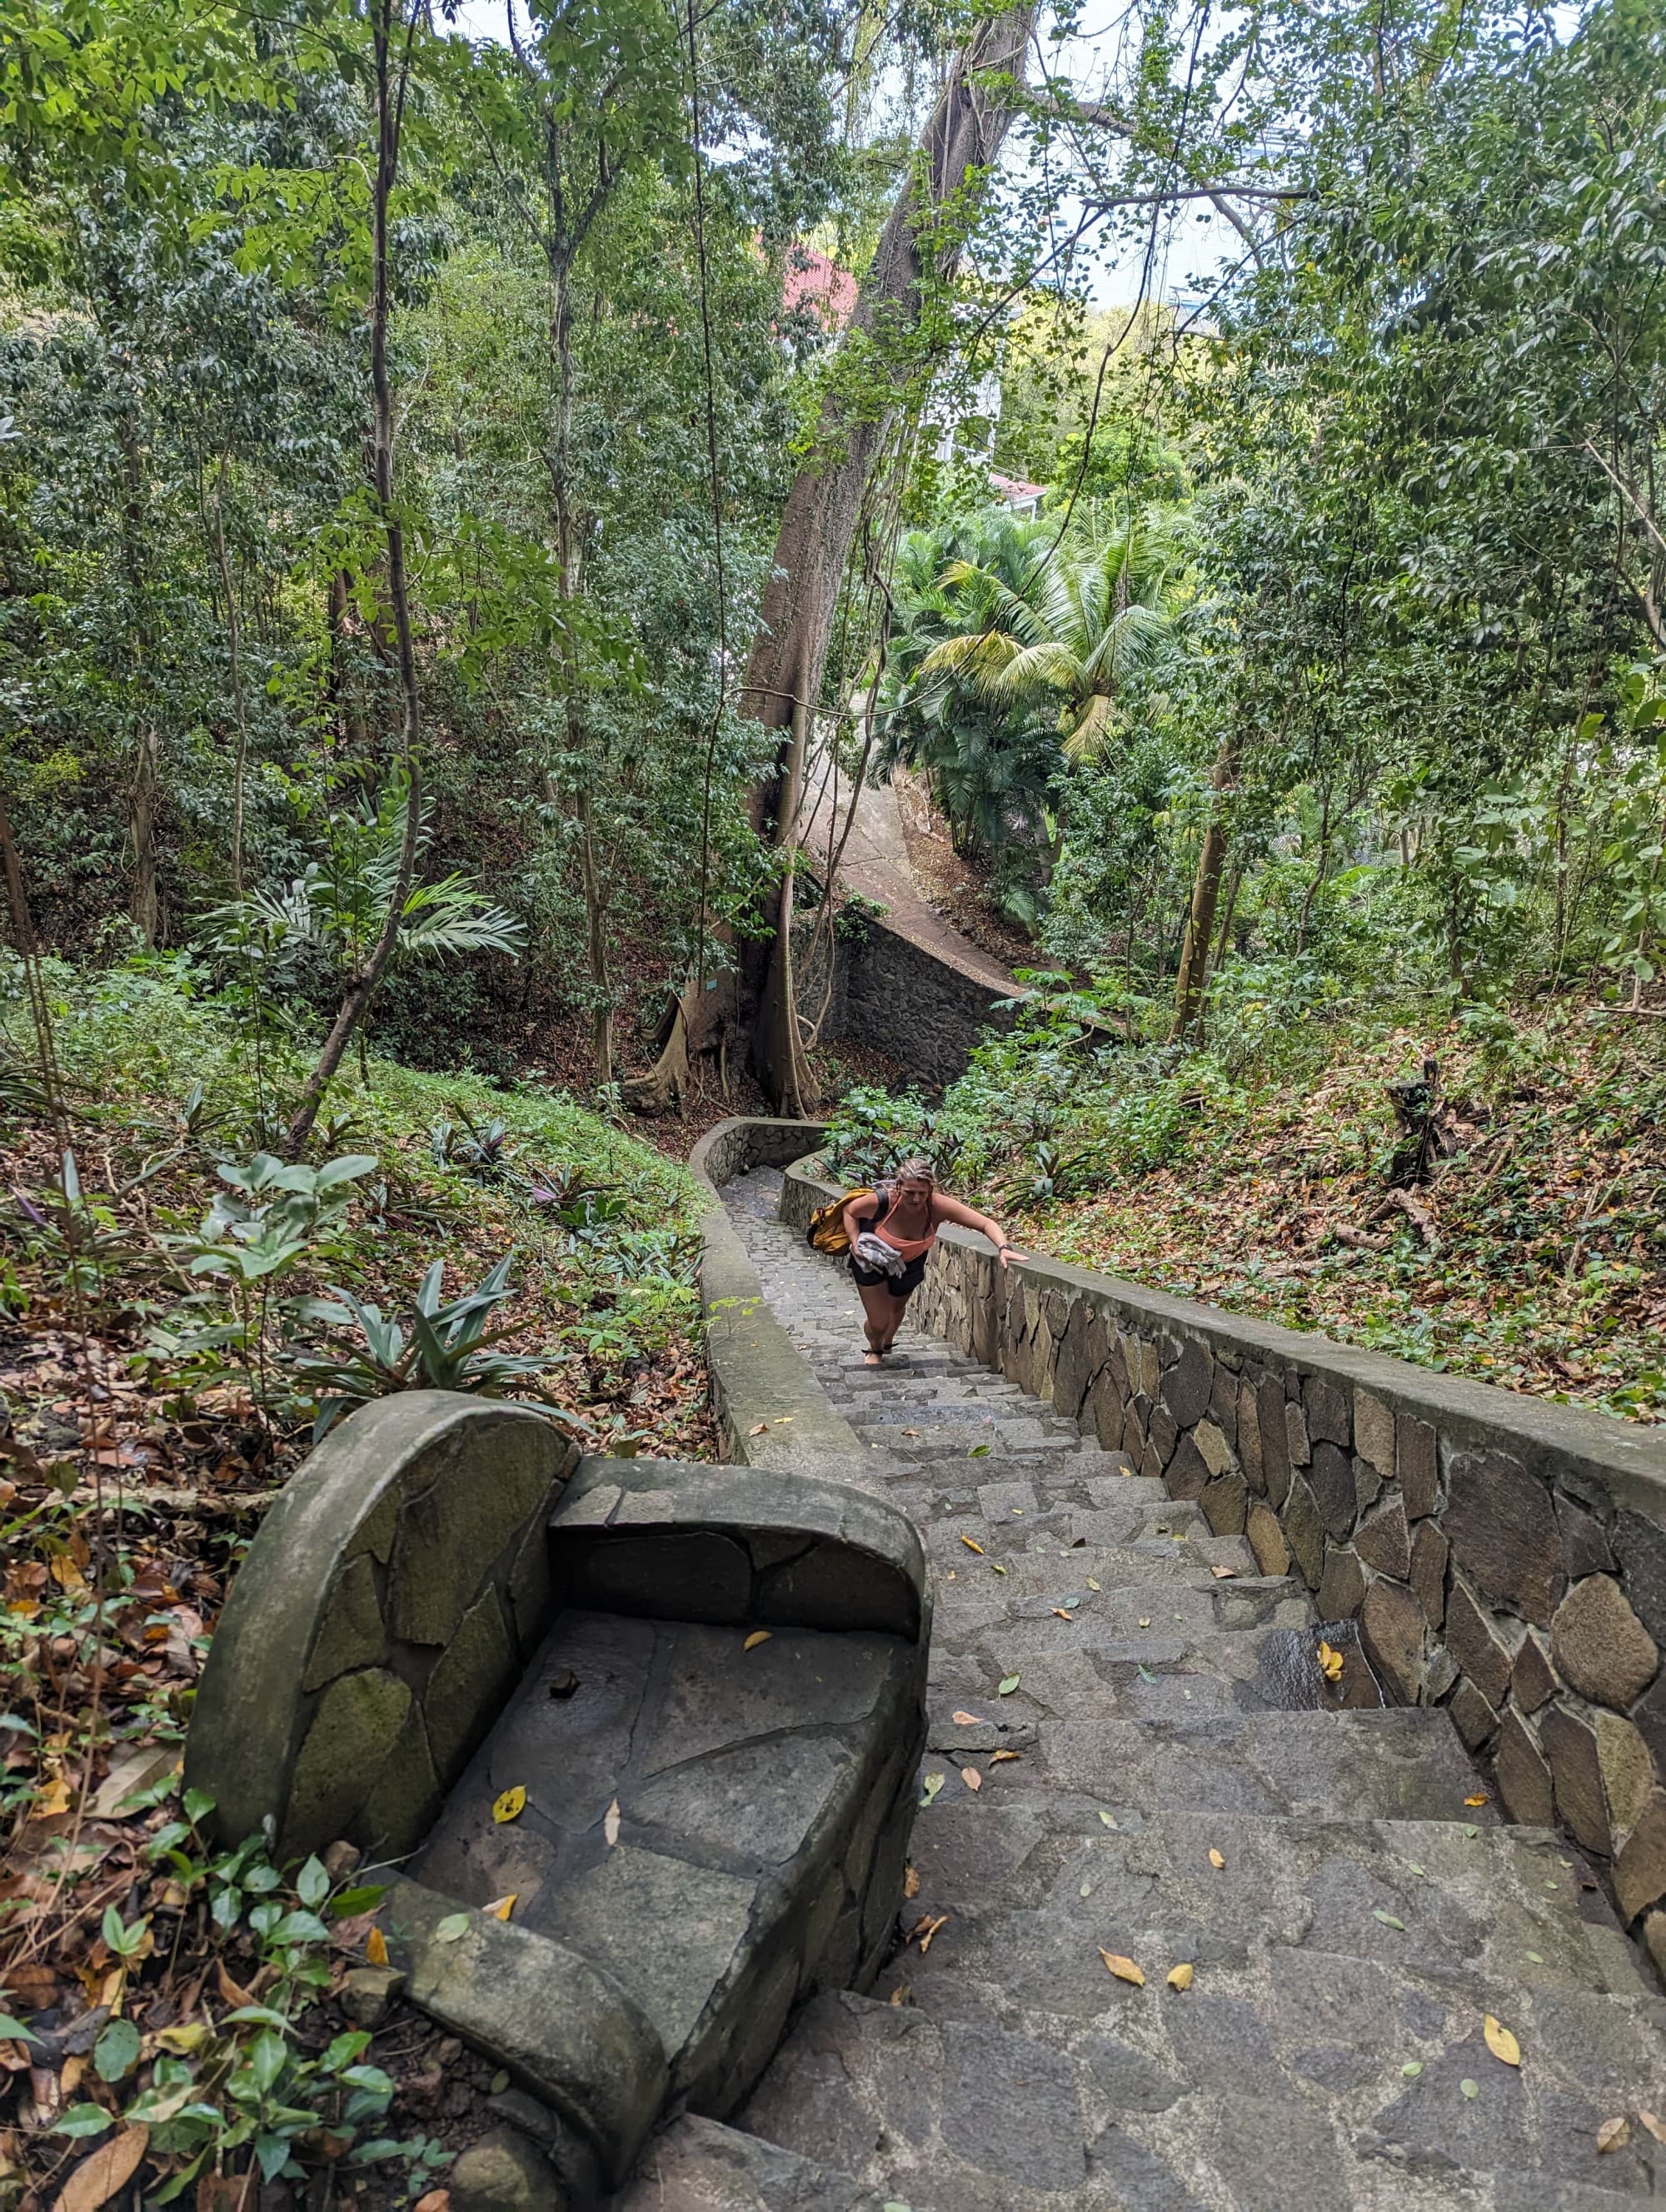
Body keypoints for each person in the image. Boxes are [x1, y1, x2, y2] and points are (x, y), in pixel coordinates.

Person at [841, 1155, 1017, 1366]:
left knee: (896, 1308)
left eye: (921, 1194)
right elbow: (850, 1211)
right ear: (899, 1186)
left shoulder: (938, 1206)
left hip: (910, 1264)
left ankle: (888, 1341)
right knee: (879, 1321)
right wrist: (854, 1242)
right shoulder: (882, 1201)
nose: (916, 1199)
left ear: (930, 1190)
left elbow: (986, 1224)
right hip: (872, 1262)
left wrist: (1003, 1248)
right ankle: (876, 1346)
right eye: (909, 1193)